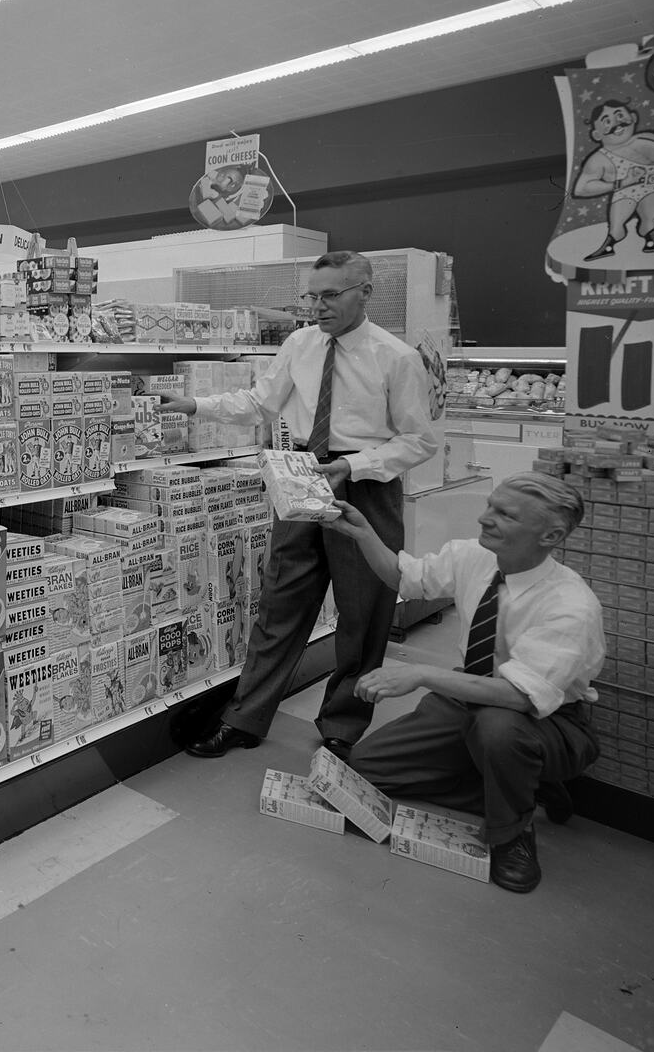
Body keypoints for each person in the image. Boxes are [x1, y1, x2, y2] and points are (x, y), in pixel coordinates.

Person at [164, 250, 439, 759]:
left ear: (365, 292)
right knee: (280, 600)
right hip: (302, 476)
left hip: (365, 484)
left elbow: (419, 441)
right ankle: (245, 719)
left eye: (330, 295)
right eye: (311, 296)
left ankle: (342, 726)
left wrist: (353, 467)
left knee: (364, 611)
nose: (318, 306)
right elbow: (259, 403)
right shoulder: (300, 344)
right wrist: (195, 404)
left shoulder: (395, 357)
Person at [325, 473, 602, 893]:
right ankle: (523, 789)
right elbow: (405, 577)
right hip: (468, 695)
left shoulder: (571, 605)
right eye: (490, 505)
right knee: (365, 770)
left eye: (504, 514)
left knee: (498, 728)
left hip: (547, 722)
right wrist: (363, 533)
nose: (483, 518)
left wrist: (420, 674)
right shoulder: (474, 556)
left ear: (551, 535)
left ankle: (511, 833)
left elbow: (519, 696)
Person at [571, 95, 654, 260]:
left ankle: (651, 242)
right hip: (626, 193)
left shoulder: (649, 137)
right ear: (597, 134)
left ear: (633, 118)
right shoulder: (600, 158)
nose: (617, 123)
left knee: (651, 217)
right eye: (606, 121)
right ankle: (608, 247)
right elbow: (581, 189)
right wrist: (623, 182)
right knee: (618, 225)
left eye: (620, 115)